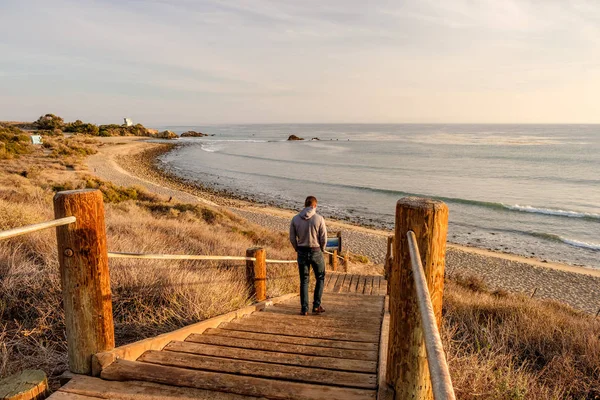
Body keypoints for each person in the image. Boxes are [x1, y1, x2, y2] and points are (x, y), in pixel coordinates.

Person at [289, 195, 327, 315]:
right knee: (320, 278)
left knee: (304, 280)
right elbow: (323, 238)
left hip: (301, 251)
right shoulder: (319, 218)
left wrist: (297, 248)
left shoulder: (295, 219)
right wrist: (322, 249)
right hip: (316, 250)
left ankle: (304, 308)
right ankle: (316, 305)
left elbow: (292, 237)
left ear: (305, 205)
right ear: (314, 205)